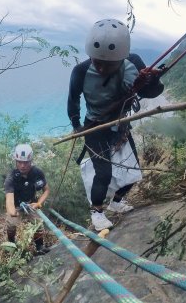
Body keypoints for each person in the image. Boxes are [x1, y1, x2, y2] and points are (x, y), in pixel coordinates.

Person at [67, 18, 164, 231]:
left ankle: (117, 202)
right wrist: (77, 126)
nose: (101, 68)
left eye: (108, 64)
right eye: (96, 62)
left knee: (133, 170)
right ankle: (97, 212)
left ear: (121, 57)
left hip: (120, 124)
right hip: (95, 126)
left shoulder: (133, 63)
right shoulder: (81, 71)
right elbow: (73, 99)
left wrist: (153, 80)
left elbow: (150, 91)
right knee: (104, 173)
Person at [4, 144, 51, 255]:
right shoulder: (11, 178)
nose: (22, 165)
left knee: (38, 224)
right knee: (11, 225)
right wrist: (12, 212)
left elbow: (47, 190)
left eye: (26, 162)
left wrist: (39, 203)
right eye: (19, 162)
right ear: (16, 161)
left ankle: (39, 246)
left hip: (31, 203)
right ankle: (11, 243)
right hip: (16, 205)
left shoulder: (37, 173)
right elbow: (9, 199)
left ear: (31, 161)